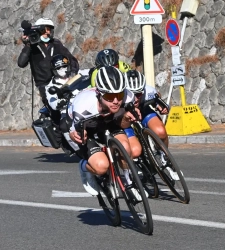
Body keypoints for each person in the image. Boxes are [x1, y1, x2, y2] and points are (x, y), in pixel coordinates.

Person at [69, 66, 143, 198]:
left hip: (108, 122)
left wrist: (127, 117)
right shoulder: (83, 106)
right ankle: (84, 167)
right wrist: (76, 135)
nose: (116, 101)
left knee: (125, 148)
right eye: (109, 96)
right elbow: (74, 134)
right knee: (102, 166)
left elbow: (123, 124)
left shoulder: (128, 96)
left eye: (119, 95)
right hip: (87, 127)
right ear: (99, 93)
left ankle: (128, 179)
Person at [123, 70, 178, 179]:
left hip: (143, 111)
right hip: (125, 116)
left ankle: (165, 156)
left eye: (139, 94)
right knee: (134, 150)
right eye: (132, 94)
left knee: (160, 131)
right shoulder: (119, 98)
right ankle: (134, 168)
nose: (135, 98)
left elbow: (158, 102)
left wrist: (161, 107)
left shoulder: (149, 91)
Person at [17, 18, 79, 106]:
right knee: (53, 106)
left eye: (49, 29)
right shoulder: (32, 46)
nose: (47, 32)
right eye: (45, 29)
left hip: (61, 79)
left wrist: (72, 73)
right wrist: (28, 45)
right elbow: (21, 63)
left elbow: (71, 59)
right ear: (39, 30)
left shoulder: (56, 43)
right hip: (44, 84)